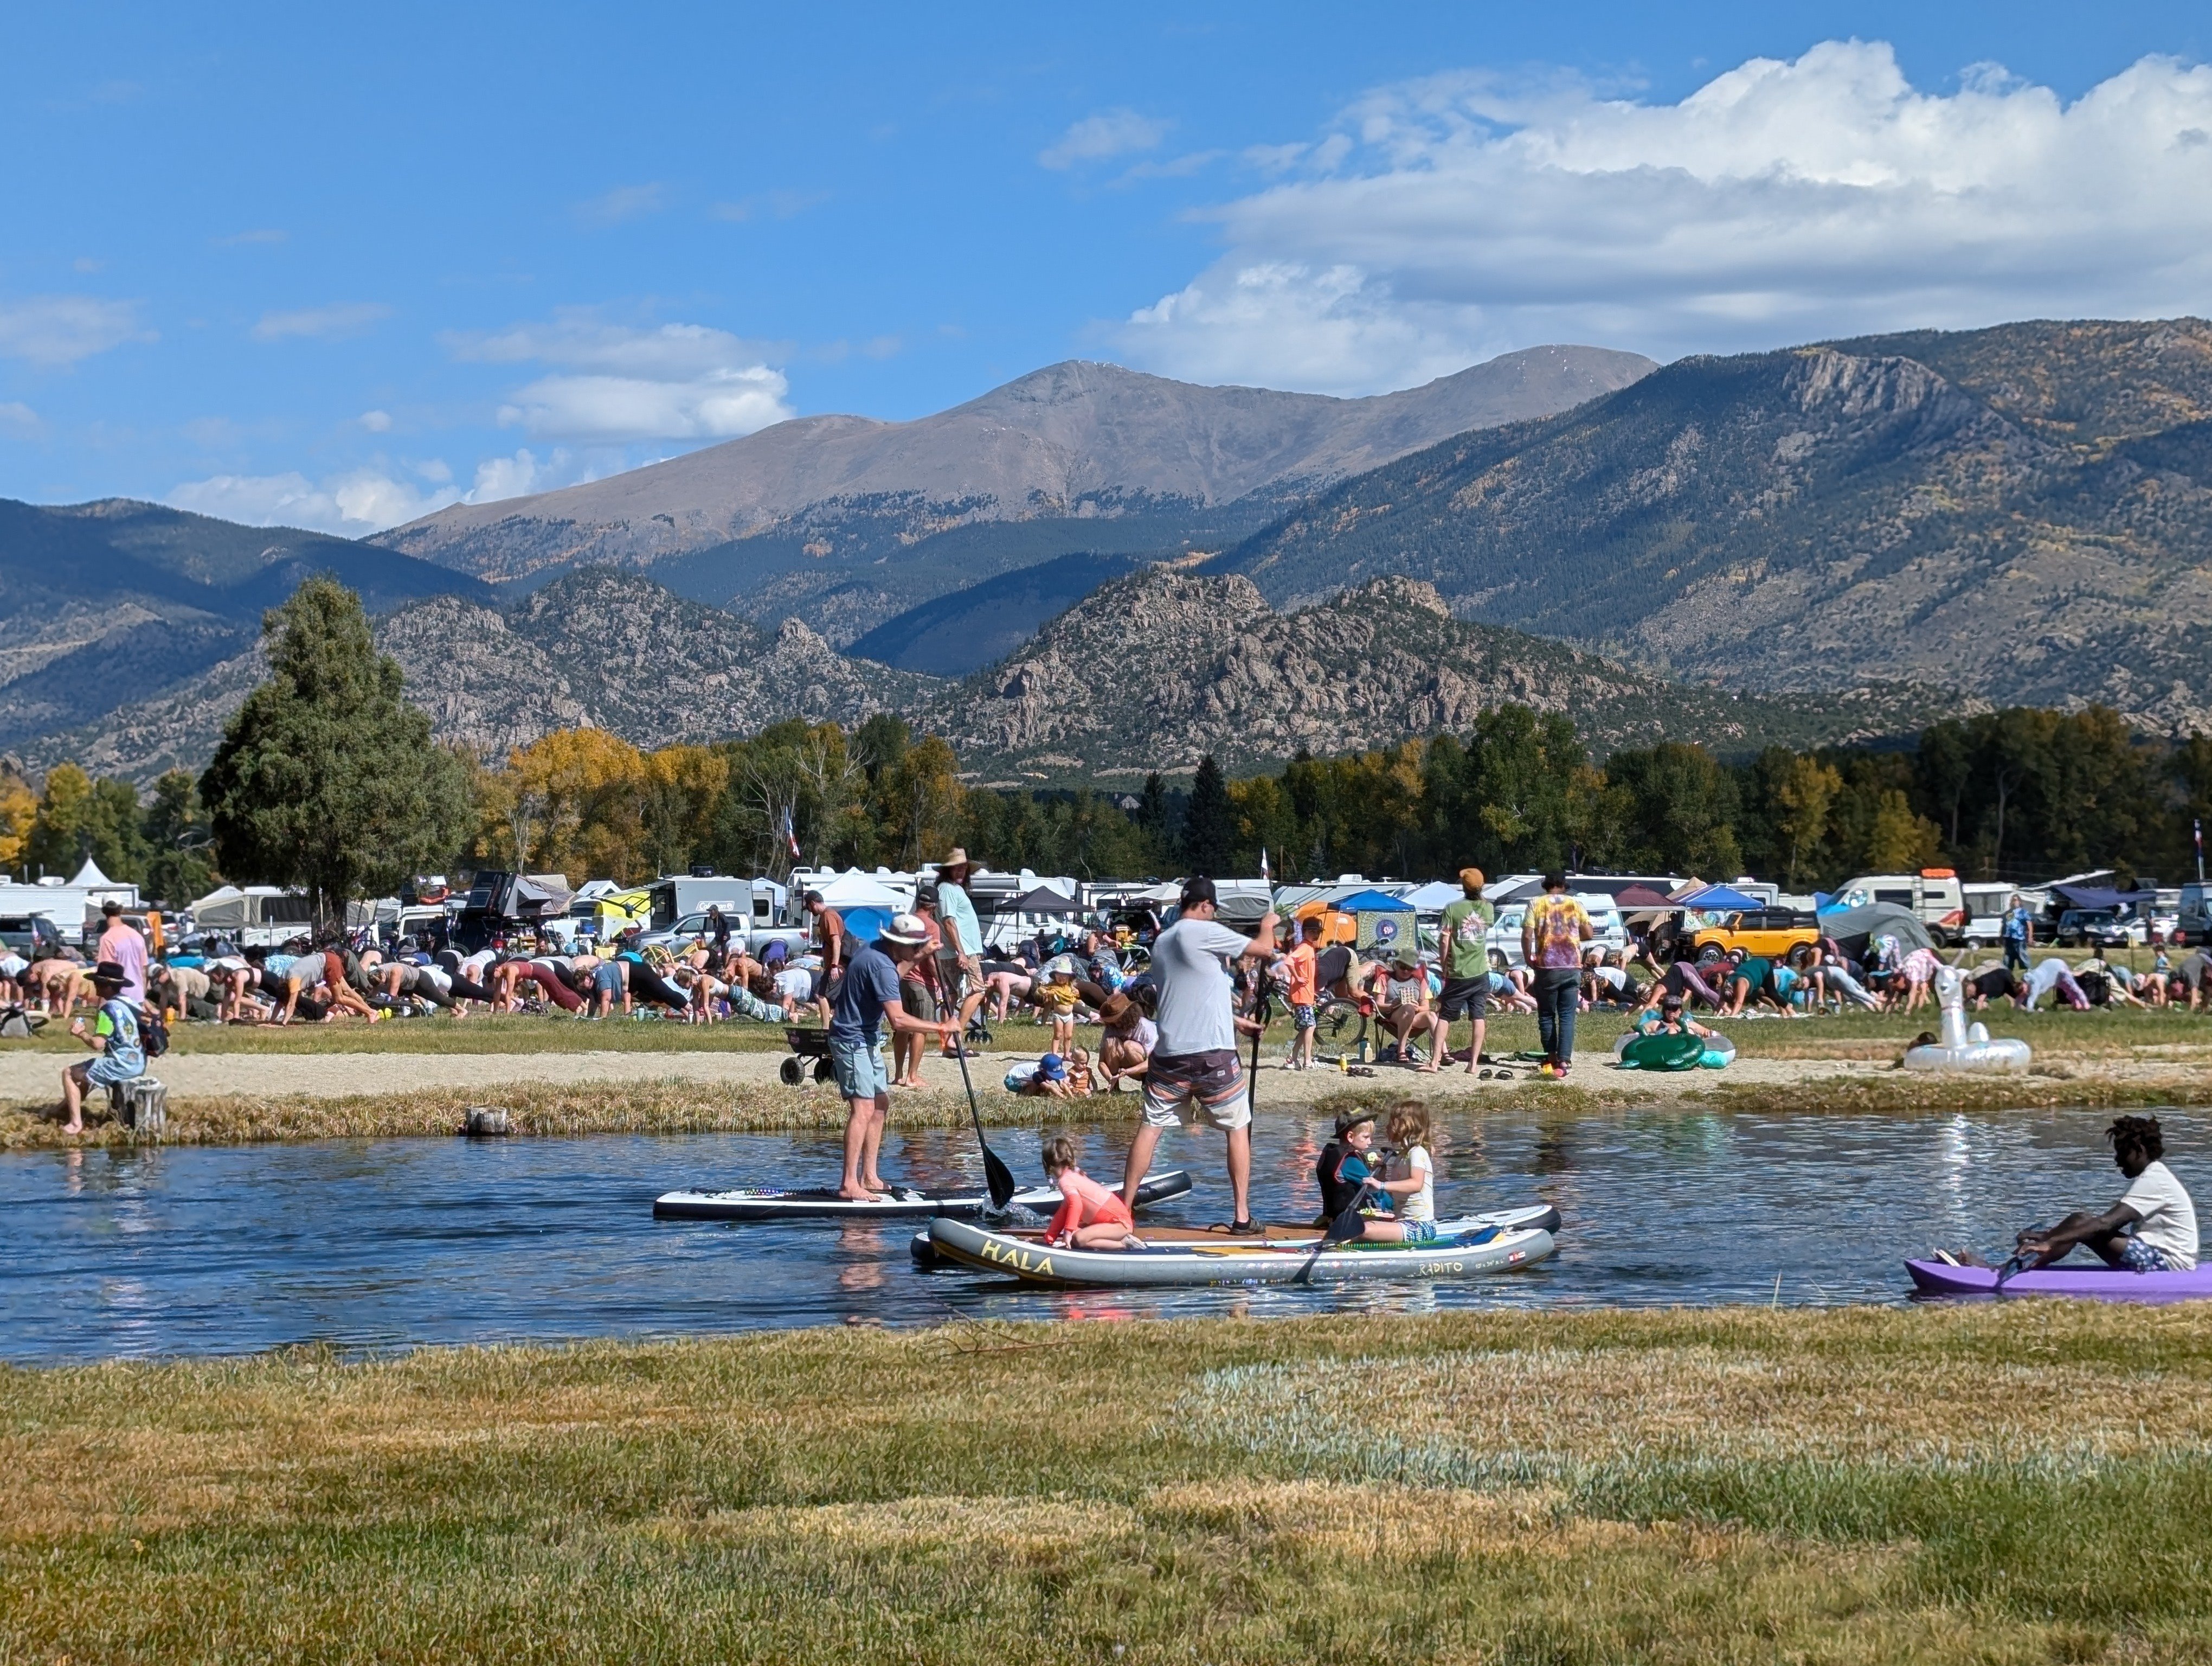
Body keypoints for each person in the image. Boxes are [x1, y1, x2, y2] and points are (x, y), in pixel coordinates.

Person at [1120, 876, 1276, 1234]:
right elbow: (1263, 950)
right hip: (1213, 1057)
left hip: (1170, 1055)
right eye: (1213, 909)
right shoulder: (1206, 931)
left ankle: (1123, 1211)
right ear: (1206, 905)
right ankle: (1241, 1217)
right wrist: (1268, 924)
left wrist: (1236, 1020)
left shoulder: (1162, 942)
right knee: (1237, 1127)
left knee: (1152, 1127)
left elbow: (1191, 993)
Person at [828, 913, 954, 1201]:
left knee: (880, 1103)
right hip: (851, 1039)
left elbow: (889, 978)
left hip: (867, 1037)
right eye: (913, 947)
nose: (914, 950)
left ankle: (869, 1177)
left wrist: (920, 955)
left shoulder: (874, 949)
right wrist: (941, 1027)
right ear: (896, 944)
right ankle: (849, 1184)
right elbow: (898, 1020)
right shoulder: (881, 963)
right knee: (862, 1108)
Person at [2013, 1114, 2197, 1272]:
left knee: (2082, 1223)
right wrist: (2046, 1236)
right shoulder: (2155, 1175)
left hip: (2169, 1265)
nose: (2117, 1161)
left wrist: (2051, 1242)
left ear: (2139, 1152)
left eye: (2122, 1154)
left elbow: (2105, 1224)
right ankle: (2031, 1260)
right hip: (2158, 1256)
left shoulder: (2155, 1179)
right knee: (2079, 1221)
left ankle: (2025, 1268)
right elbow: (2101, 1225)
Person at [57, 960, 144, 1135]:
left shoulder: (107, 1010)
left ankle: (75, 1124)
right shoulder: (130, 1004)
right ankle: (62, 1109)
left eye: (98, 983)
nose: (95, 986)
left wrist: (80, 1033)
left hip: (120, 1064)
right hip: (138, 1062)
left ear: (108, 987)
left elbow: (98, 1044)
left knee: (69, 1073)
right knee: (85, 1074)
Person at [1520, 874, 1592, 1078]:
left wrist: (1528, 957)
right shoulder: (1576, 904)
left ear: (1546, 886)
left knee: (1546, 1015)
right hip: (1572, 966)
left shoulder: (1535, 903)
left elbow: (1527, 934)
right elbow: (1588, 932)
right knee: (1568, 1016)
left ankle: (1551, 1057)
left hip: (1547, 967)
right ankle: (1565, 1060)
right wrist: (1571, 933)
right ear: (1563, 886)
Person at [1437, 868, 1495, 1075]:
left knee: (1445, 1016)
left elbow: (1445, 939)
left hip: (1459, 971)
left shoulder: (1452, 908)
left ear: (1463, 886)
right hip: (1481, 971)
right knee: (1478, 1016)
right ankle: (1473, 1065)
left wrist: (1444, 964)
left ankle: (1434, 1062)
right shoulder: (1489, 908)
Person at [1039, 1134, 1142, 1250]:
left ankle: (1124, 1244)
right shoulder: (1074, 1174)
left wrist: (1067, 1234)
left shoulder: (1065, 1181)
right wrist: (1048, 1239)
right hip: (1116, 1223)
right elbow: (1063, 1211)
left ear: (1047, 1166)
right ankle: (1117, 1240)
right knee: (1074, 1229)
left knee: (1078, 1238)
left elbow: (1076, 1204)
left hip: (1120, 1225)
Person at [931, 847, 987, 1052]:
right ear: (947, 870)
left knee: (952, 994)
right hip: (959, 952)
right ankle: (956, 1035)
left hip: (959, 951)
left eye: (964, 867)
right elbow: (949, 922)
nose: (961, 871)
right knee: (978, 990)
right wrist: (962, 952)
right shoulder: (946, 889)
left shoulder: (955, 889)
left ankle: (947, 1042)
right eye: (956, 868)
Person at [1314, 1106, 1380, 1222]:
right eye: (1366, 1137)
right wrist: (1398, 1207)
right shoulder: (1351, 1160)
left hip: (1334, 1218)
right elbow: (1376, 1190)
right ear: (1350, 1137)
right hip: (1351, 1220)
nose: (1370, 1142)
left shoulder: (1332, 1153)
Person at [1095, 991, 1156, 1091]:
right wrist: (1111, 1078)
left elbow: (1152, 1062)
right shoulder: (1110, 1029)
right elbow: (1101, 1062)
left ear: (1129, 1014)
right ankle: (1115, 1087)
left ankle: (1146, 1083)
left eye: (1120, 1018)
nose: (1117, 1023)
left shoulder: (1146, 1027)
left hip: (1147, 1070)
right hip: (1122, 1069)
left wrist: (1127, 1071)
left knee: (1129, 1046)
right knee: (1111, 1042)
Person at [803, 892, 846, 1028]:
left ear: (813, 903)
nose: (810, 911)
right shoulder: (827, 915)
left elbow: (837, 942)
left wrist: (834, 966)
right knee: (836, 998)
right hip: (835, 964)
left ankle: (826, 1029)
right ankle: (837, 1026)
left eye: (809, 908)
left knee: (820, 995)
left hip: (837, 966)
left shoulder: (828, 916)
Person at [1284, 917, 1321, 1072]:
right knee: (1311, 1026)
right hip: (1301, 994)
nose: (1315, 935)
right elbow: (1289, 961)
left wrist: (1313, 992)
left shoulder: (1310, 948)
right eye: (1312, 931)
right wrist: (1297, 978)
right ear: (1304, 932)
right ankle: (1307, 1060)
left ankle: (1293, 1057)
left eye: (1317, 932)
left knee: (1306, 1027)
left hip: (1307, 994)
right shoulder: (1305, 948)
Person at [94, 901, 149, 1006]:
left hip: (118, 998)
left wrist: (102, 1006)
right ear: (121, 910)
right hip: (137, 996)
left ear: (103, 911)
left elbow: (106, 977)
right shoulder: (137, 936)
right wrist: (142, 996)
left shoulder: (108, 938)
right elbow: (144, 971)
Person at [1035, 954, 1083, 1058]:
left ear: (1069, 977)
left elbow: (1077, 994)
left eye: (1064, 975)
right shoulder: (1052, 987)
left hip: (1069, 1016)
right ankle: (1054, 1055)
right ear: (1055, 975)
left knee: (1068, 1036)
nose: (1061, 978)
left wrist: (1076, 992)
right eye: (1059, 975)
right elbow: (1041, 990)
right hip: (1058, 1015)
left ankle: (1066, 1055)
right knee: (1057, 1035)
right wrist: (1044, 991)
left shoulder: (1070, 988)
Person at [2002, 894, 2033, 975]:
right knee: (2008, 959)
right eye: (2013, 900)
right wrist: (2001, 936)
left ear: (2019, 902)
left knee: (2023, 956)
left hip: (2019, 939)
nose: (2014, 902)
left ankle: (2029, 972)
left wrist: (2030, 937)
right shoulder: (2008, 913)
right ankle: (2007, 974)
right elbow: (2005, 925)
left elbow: (2029, 925)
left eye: (2016, 900)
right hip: (2009, 938)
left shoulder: (2024, 913)